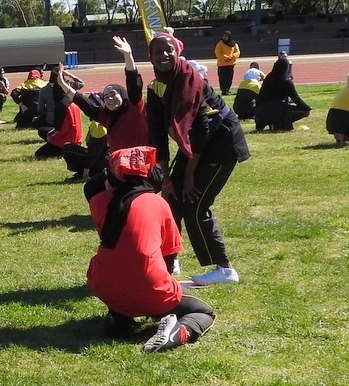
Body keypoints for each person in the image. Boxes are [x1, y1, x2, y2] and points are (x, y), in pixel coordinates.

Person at [85, 146, 216, 352]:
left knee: (122, 270)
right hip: (148, 287)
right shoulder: (158, 203)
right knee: (204, 312)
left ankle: (121, 317)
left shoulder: (98, 202)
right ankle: (178, 332)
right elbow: (169, 258)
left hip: (103, 284)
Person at [146, 33, 250, 285]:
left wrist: (190, 175)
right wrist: (167, 180)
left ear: (178, 50)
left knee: (195, 204)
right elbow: (157, 135)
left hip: (220, 142)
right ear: (150, 56)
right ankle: (169, 262)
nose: (164, 55)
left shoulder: (191, 80)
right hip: (194, 144)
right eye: (158, 51)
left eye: (169, 50)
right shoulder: (155, 87)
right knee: (171, 201)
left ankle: (225, 269)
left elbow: (202, 131)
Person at [58, 36, 149, 152]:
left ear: (123, 95)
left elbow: (133, 81)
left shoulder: (134, 108)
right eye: (106, 96)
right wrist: (62, 84)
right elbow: (82, 102)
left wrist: (128, 55)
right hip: (120, 165)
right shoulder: (106, 116)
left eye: (113, 94)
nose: (110, 98)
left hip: (143, 164)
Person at [34, 68, 83, 160]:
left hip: (66, 141)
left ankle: (63, 152)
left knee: (39, 153)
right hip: (76, 139)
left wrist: (51, 137)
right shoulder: (73, 104)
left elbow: (63, 129)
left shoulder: (62, 106)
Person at [254, 56, 312, 131]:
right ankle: (281, 124)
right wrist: (307, 108)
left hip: (261, 114)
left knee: (276, 106)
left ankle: (272, 123)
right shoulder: (286, 81)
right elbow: (295, 98)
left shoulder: (269, 77)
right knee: (303, 111)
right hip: (277, 112)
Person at [213, 30, 240, 95]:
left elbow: (237, 52)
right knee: (223, 79)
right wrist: (226, 57)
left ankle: (227, 89)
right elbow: (217, 53)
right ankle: (224, 90)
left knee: (229, 78)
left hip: (230, 64)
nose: (224, 37)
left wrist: (232, 56)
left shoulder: (234, 44)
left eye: (226, 36)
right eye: (224, 36)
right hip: (222, 64)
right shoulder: (220, 44)